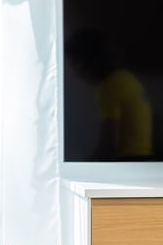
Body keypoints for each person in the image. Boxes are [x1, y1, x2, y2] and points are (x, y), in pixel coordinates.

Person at [65, 29, 154, 160]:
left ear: (86, 61)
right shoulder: (128, 78)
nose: (77, 74)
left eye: (75, 65)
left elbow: (109, 145)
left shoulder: (108, 87)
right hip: (144, 160)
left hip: (127, 161)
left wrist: (82, 167)